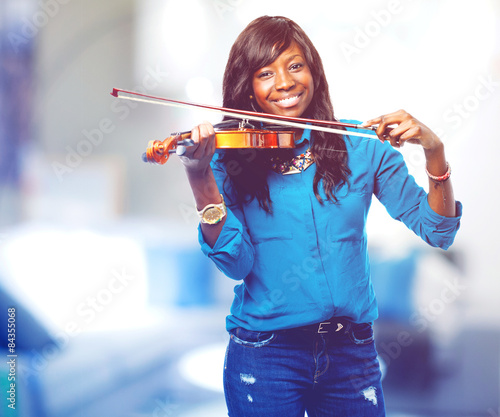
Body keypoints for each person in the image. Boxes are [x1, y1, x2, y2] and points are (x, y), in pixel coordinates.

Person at [177, 15, 462, 417]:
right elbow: (235, 264)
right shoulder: (229, 160)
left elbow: (438, 231)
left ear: (313, 70)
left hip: (351, 354)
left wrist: (434, 150)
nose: (285, 82)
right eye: (265, 73)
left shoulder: (362, 146)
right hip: (265, 355)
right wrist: (199, 177)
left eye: (295, 65)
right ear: (249, 90)